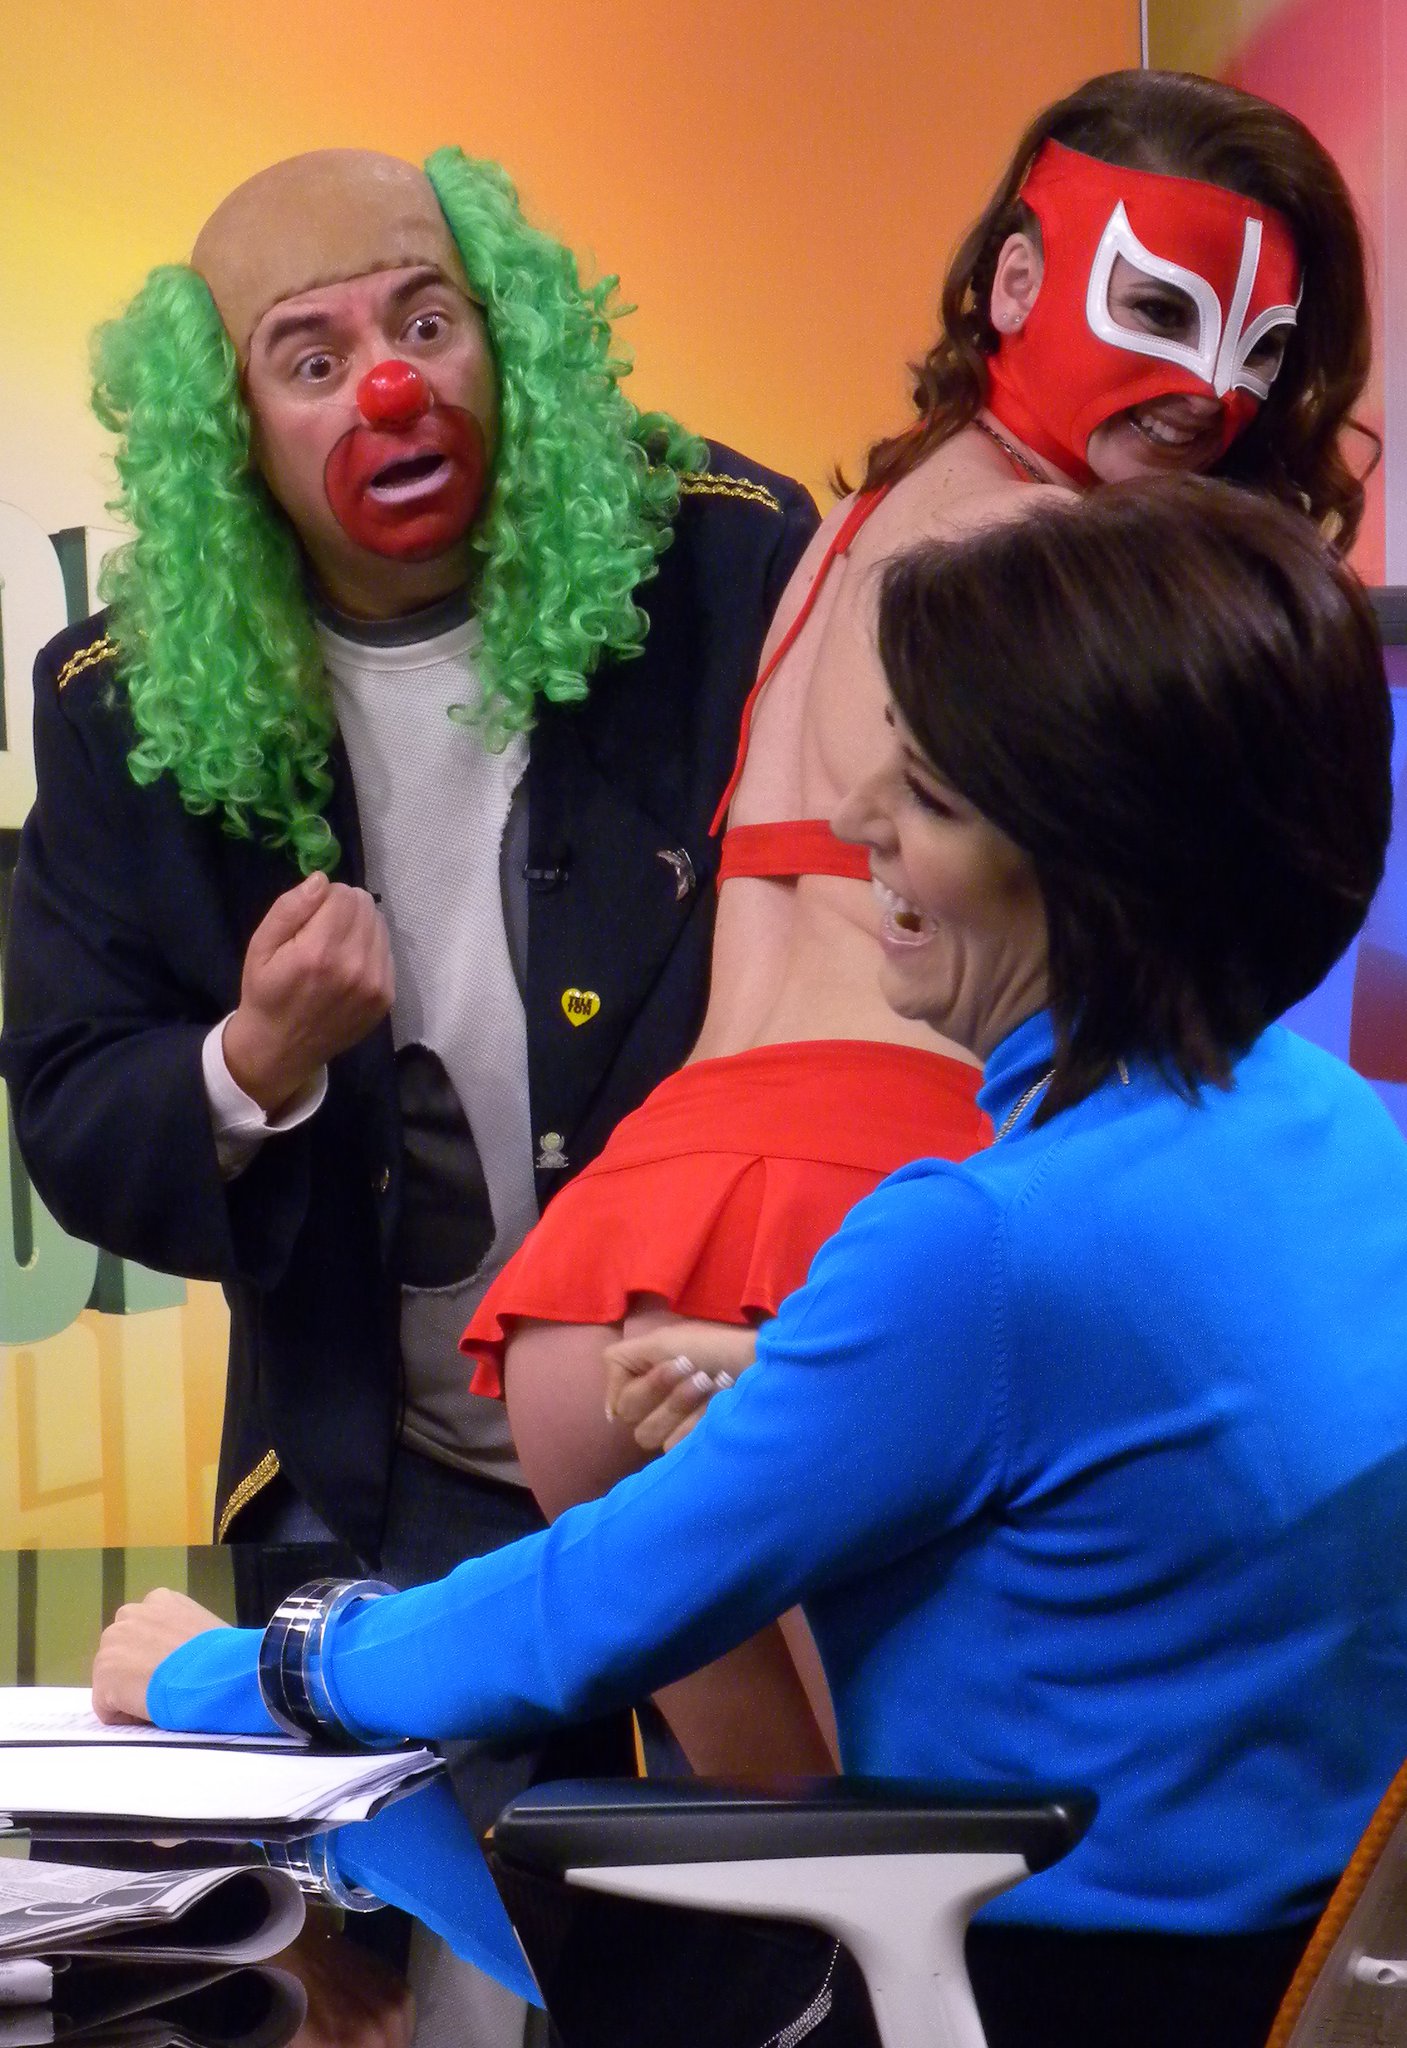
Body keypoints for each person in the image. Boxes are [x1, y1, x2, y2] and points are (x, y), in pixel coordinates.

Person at [94, 478, 1407, 2048]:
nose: (856, 829)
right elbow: (1148, 1454)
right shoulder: (1338, 1129)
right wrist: (803, 1383)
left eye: (928, 794)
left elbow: (583, 1613)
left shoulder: (980, 1252)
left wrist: (252, 1668)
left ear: (1087, 863)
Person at [452, 67, 1375, 1764]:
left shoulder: (871, 519)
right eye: (1160, 309)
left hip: (633, 1250)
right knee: (945, 1864)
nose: (1213, 393)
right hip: (845, 1232)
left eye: (1260, 347)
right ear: (1017, 279)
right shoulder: (1044, 589)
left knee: (828, 1890)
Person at [0, 147, 816, 1585]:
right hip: (380, 1483)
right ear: (230, 430)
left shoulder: (723, 564)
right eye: (313, 363)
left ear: (507, 334)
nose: (393, 388)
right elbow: (76, 1108)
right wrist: (256, 1056)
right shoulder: (119, 701)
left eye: (427, 324)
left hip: (736, 1440)